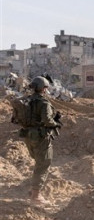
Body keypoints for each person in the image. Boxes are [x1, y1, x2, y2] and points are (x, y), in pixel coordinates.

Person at [17, 76, 61, 206]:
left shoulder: (26, 100)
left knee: (38, 162)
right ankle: (36, 196)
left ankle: (33, 191)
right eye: (45, 88)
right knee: (43, 163)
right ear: (43, 88)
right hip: (40, 137)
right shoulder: (44, 103)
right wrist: (55, 123)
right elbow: (47, 120)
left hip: (28, 135)